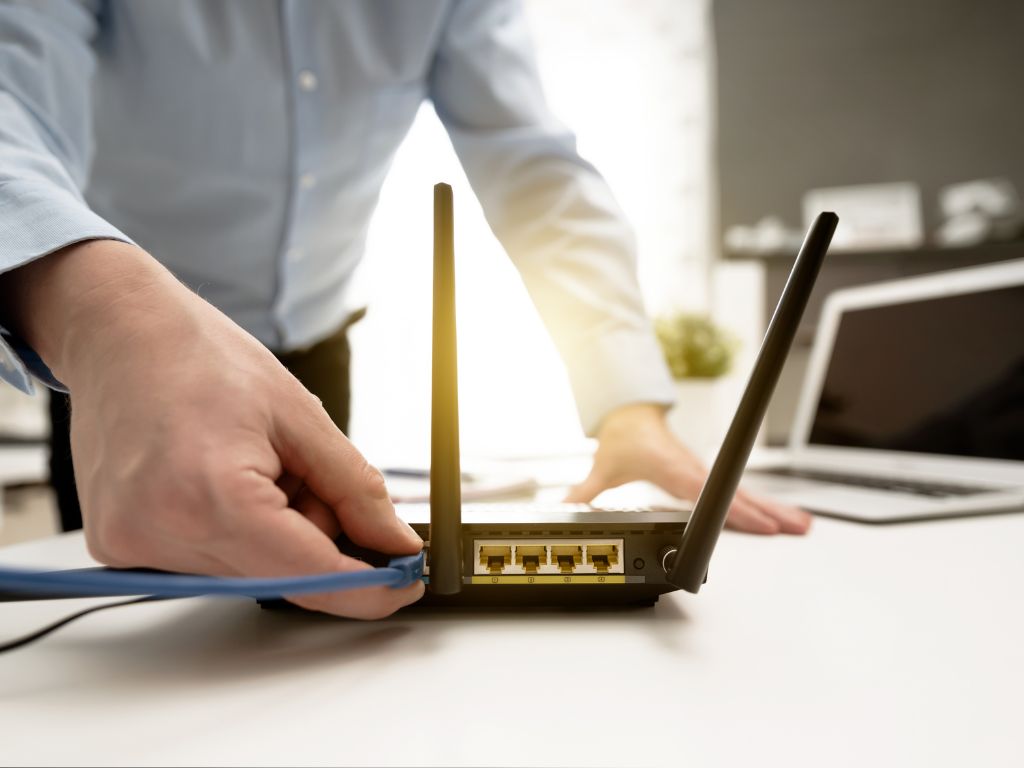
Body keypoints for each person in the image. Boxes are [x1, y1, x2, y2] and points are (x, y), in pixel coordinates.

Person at [0, 1, 809, 620]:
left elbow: (537, 172)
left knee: (310, 611)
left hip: (315, 352)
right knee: (157, 635)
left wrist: (628, 401)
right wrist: (106, 314)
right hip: (121, 353)